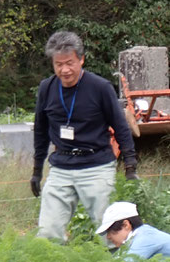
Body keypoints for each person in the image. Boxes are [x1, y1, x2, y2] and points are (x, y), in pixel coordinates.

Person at [32, 31, 137, 241]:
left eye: (69, 63)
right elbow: (41, 131)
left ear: (81, 59)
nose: (64, 70)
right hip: (61, 166)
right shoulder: (47, 88)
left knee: (109, 231)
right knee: (47, 232)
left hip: (96, 166)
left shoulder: (100, 87)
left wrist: (130, 165)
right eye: (58, 64)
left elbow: (121, 126)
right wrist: (36, 171)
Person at [97, 202, 170, 260]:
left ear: (126, 225)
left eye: (111, 230)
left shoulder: (145, 239)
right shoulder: (139, 236)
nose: (108, 236)